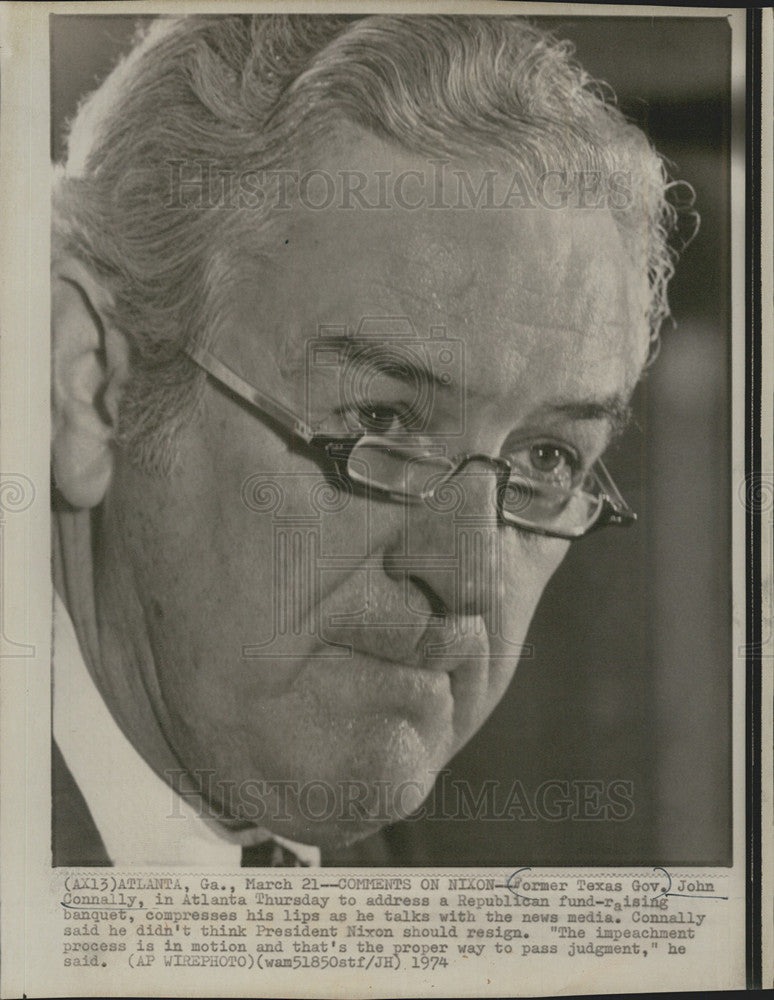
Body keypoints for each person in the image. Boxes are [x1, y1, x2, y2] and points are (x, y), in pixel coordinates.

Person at [51, 13, 679, 866]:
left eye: (546, 459)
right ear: (90, 387)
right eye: (381, 421)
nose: (466, 579)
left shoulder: (395, 878)